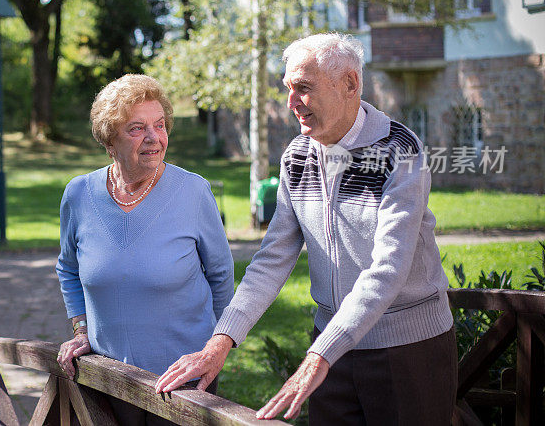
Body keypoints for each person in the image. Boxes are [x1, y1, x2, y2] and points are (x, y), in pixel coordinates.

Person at [155, 33, 457, 425]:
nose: (291, 102)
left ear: (349, 84)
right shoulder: (297, 156)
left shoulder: (399, 149)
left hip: (407, 348)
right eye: (288, 88)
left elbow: (388, 270)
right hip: (331, 349)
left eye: (303, 88)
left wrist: (319, 355)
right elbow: (271, 261)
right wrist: (220, 341)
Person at [55, 74, 235, 425]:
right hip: (104, 377)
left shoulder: (193, 192)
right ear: (110, 140)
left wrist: (214, 350)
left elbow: (221, 275)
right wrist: (81, 330)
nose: (154, 137)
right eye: (136, 128)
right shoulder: (78, 194)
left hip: (181, 383)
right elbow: (68, 268)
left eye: (160, 125)